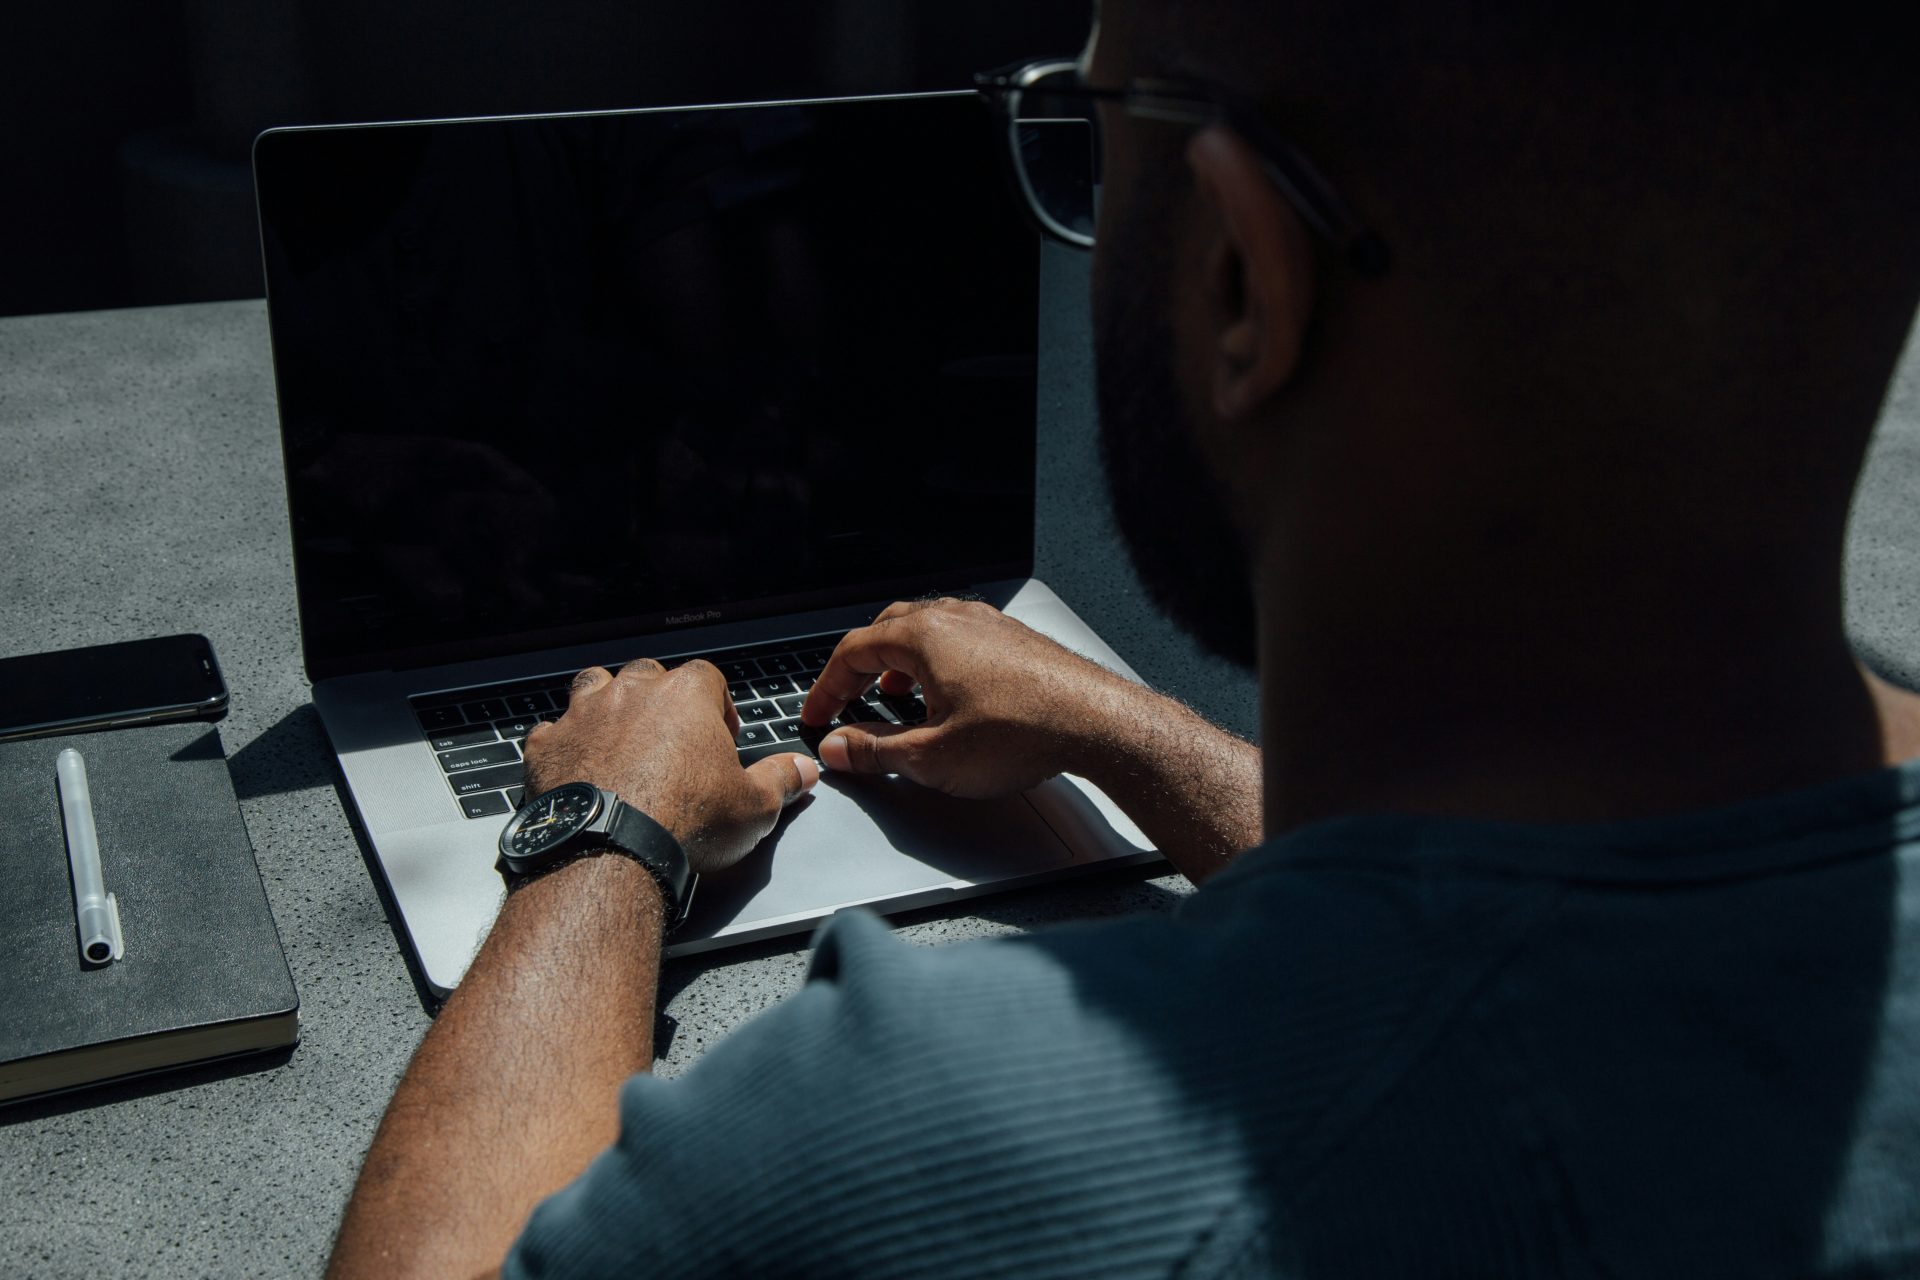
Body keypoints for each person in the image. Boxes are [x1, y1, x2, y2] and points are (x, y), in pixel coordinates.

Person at [325, 2, 1920, 1276]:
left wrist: (604, 832)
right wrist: (1131, 728)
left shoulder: (946, 1142)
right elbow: (1531, 937)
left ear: (1241, 276)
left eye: (1092, 130)